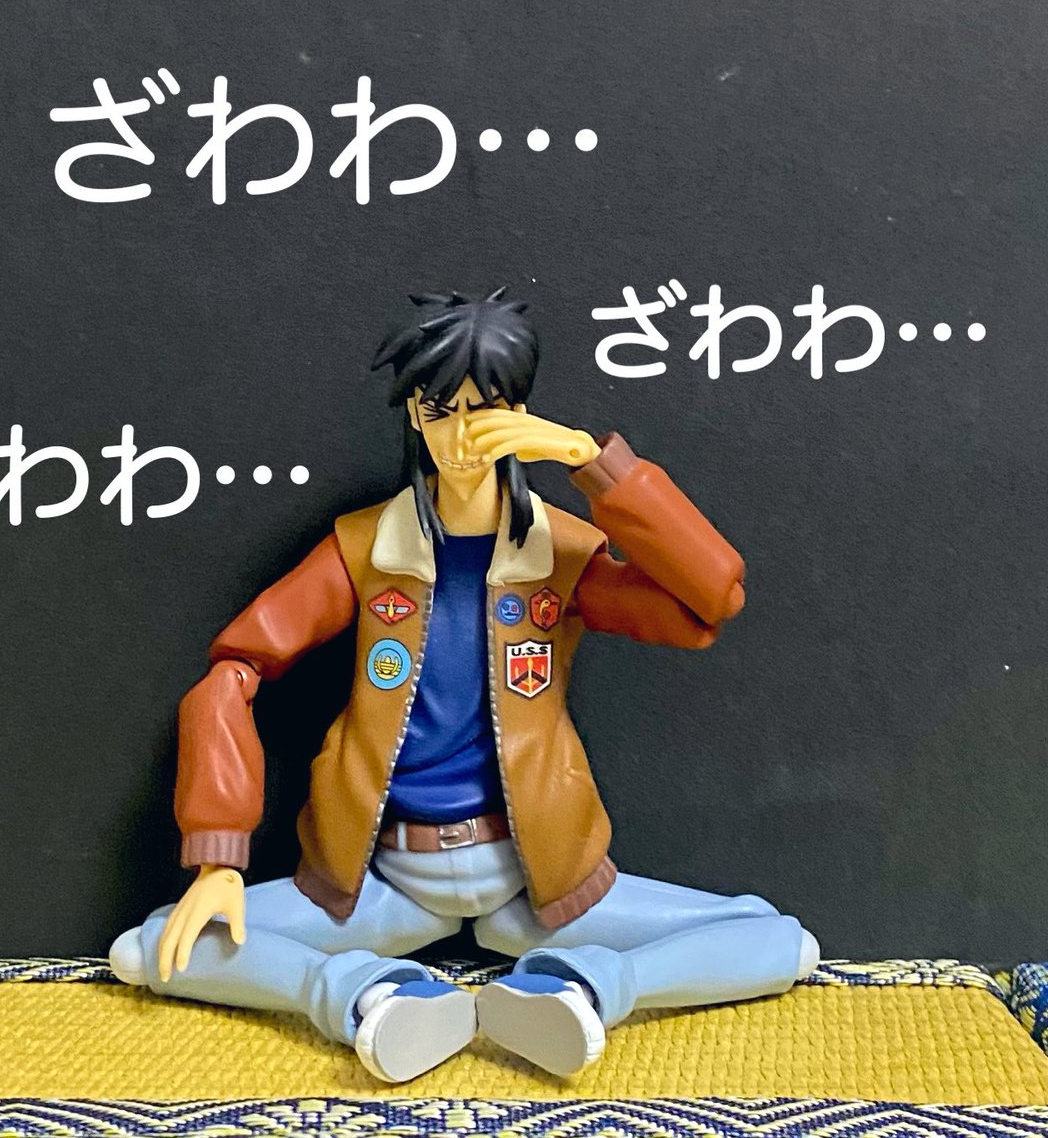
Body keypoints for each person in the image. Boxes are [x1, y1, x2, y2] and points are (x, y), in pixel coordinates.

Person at [109, 288, 819, 1082]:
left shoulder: (561, 553)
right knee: (149, 947)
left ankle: (583, 987)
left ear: (519, 413)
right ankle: (369, 994)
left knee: (777, 941)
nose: (461, 436)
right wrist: (218, 857)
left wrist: (593, 463)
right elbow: (234, 669)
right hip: (381, 886)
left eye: (486, 411)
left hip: (538, 888)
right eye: (441, 410)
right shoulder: (365, 550)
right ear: (416, 415)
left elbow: (710, 599)